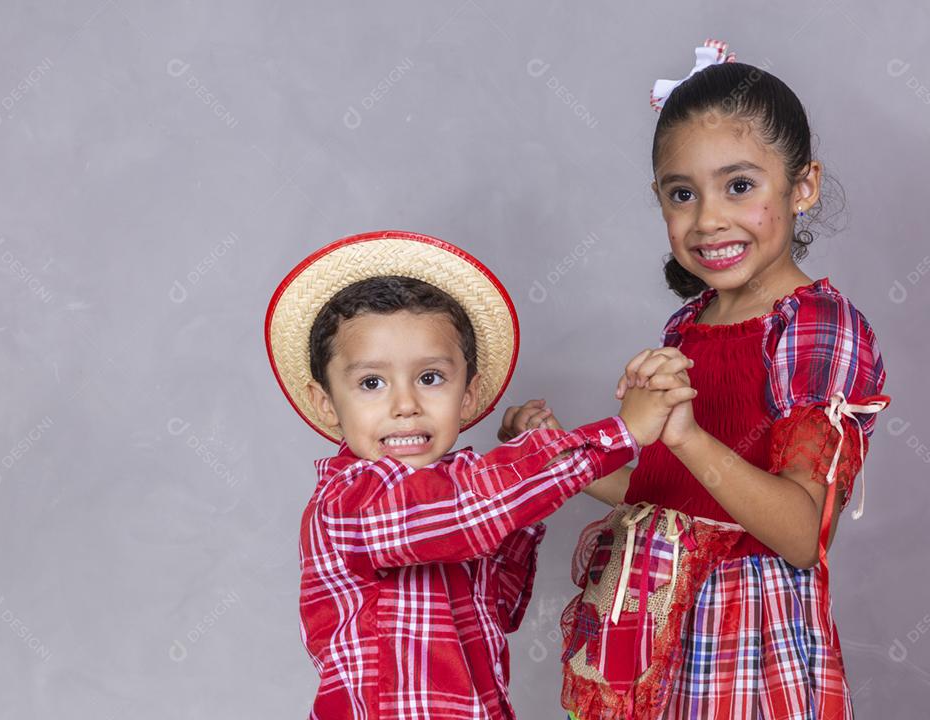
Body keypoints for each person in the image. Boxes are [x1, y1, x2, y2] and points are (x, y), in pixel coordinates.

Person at [501, 40, 891, 719]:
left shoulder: (816, 327)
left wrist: (685, 436)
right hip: (648, 620)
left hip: (739, 634)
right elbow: (664, 495)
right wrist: (562, 453)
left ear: (803, 186)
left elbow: (803, 535)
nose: (708, 218)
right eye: (683, 194)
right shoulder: (687, 323)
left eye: (739, 186)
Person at [264, 230, 698, 719]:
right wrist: (621, 433)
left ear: (467, 395)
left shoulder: (460, 498)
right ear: (326, 403)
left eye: (430, 378)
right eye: (371, 382)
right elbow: (470, 510)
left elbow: (501, 606)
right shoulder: (350, 502)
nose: (405, 405)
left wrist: (521, 484)